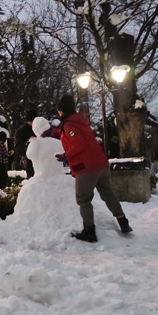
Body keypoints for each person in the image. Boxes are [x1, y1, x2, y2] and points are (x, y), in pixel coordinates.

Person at [55, 94, 132, 242]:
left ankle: (89, 231)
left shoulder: (69, 125)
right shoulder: (79, 122)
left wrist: (66, 156)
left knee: (83, 199)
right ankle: (123, 222)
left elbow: (77, 144)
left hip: (87, 167)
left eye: (59, 110)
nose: (58, 113)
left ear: (62, 110)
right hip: (101, 164)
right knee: (108, 193)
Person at [15, 109, 38, 179]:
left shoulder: (39, 129)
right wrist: (27, 152)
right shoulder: (21, 131)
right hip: (29, 159)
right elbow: (18, 147)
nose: (33, 123)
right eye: (31, 121)